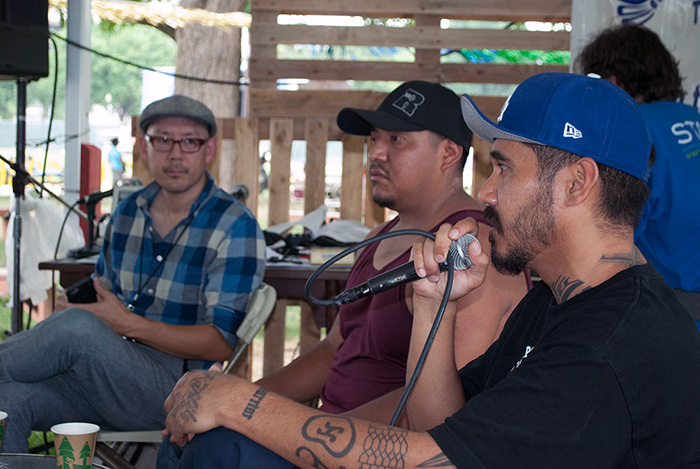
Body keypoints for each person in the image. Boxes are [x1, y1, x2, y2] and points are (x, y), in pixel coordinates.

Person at [163, 73, 700, 468]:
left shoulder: (611, 342)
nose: (485, 192)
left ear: (577, 183)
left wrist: (243, 403)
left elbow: (431, 459)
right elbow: (441, 423)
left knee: (226, 448)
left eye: (503, 168)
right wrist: (432, 305)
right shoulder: (560, 303)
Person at [158, 81, 531, 467]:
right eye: (374, 139)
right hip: (322, 435)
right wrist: (237, 397)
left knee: (214, 447)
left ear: (449, 154)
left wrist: (284, 427)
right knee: (188, 433)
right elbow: (335, 350)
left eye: (397, 140)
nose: (377, 153)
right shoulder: (378, 238)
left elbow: (448, 411)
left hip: (372, 454)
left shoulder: (471, 247)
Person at [0, 94, 266, 453]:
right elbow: (103, 292)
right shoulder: (127, 212)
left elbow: (219, 342)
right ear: (143, 147)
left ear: (209, 149)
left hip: (179, 391)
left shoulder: (236, 225)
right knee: (8, 398)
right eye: (162, 139)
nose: (175, 153)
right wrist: (80, 307)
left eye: (189, 141)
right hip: (102, 379)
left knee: (78, 330)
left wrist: (122, 323)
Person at [576, 23, 700, 323]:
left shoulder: (634, 130)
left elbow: (610, 238)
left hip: (673, 317)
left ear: (614, 83)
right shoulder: (693, 117)